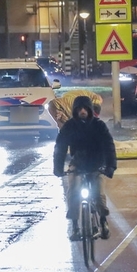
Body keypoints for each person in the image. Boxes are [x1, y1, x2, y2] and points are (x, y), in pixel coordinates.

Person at [53, 96, 117, 241]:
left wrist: (110, 166)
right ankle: (75, 226)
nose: (82, 111)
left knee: (98, 194)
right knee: (74, 191)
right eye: (79, 109)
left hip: (96, 164)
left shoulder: (99, 125)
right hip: (78, 164)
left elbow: (109, 146)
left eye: (85, 108)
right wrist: (58, 168)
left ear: (90, 110)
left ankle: (102, 221)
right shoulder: (69, 126)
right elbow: (60, 148)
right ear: (75, 111)